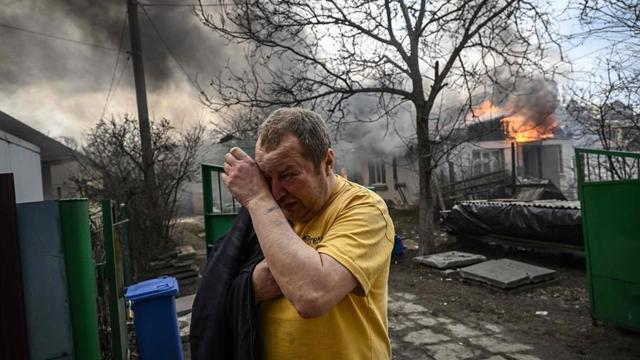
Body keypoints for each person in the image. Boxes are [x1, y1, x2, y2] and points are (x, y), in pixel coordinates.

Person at [222, 107, 395, 359]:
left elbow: (312, 295)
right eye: (266, 177)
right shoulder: (268, 212)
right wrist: (251, 287)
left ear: (327, 162)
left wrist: (258, 198)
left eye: (288, 175)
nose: (276, 191)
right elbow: (219, 291)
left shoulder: (364, 208)